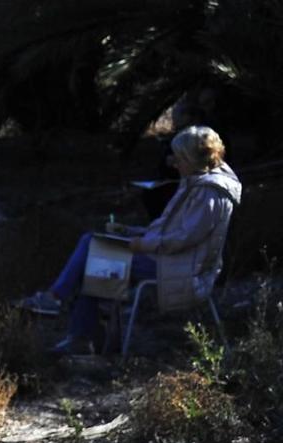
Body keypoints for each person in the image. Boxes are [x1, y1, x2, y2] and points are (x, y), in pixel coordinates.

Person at [21, 125, 242, 353]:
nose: (173, 164)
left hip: (180, 268)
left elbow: (183, 238)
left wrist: (141, 244)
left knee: (96, 253)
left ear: (192, 159)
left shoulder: (208, 194)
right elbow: (171, 230)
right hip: (173, 259)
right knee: (97, 250)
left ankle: (69, 316)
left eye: (178, 159)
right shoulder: (198, 184)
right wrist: (132, 232)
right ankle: (82, 333)